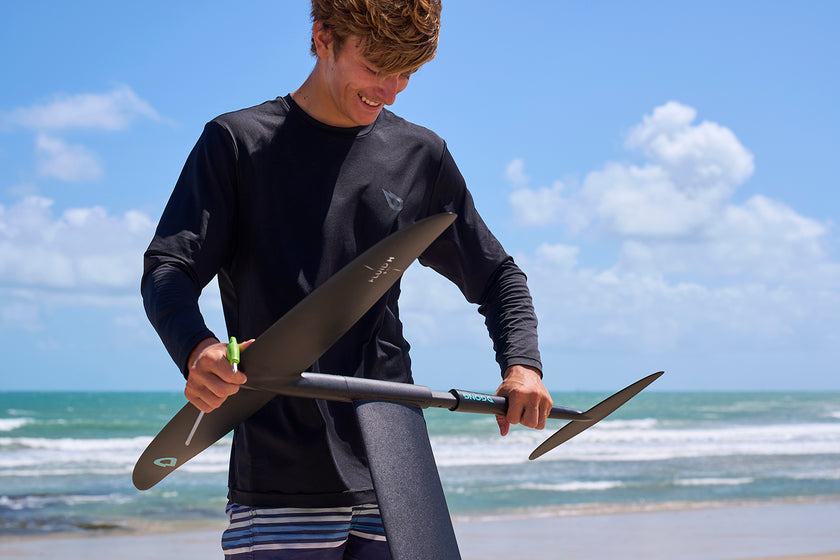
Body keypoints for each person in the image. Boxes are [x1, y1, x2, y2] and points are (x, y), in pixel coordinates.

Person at [141, 0, 553, 558]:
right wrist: (197, 348)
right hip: (282, 472)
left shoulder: (420, 156)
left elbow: (497, 274)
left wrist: (522, 365)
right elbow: (169, 267)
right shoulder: (238, 143)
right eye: (376, 68)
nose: (390, 92)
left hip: (398, 467)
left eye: (406, 74)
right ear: (322, 37)